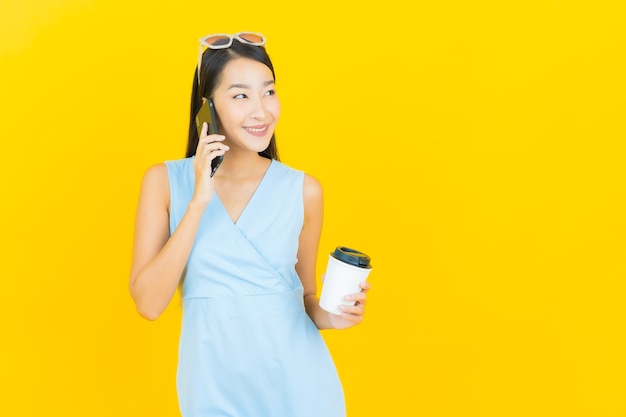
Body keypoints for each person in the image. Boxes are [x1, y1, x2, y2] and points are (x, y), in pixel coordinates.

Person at [129, 32, 371, 417]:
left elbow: (306, 300)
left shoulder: (304, 190)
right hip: (212, 392)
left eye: (269, 92)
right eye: (241, 95)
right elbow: (148, 304)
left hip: (301, 390)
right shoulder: (163, 182)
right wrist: (199, 201)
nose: (261, 111)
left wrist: (334, 315)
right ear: (208, 107)